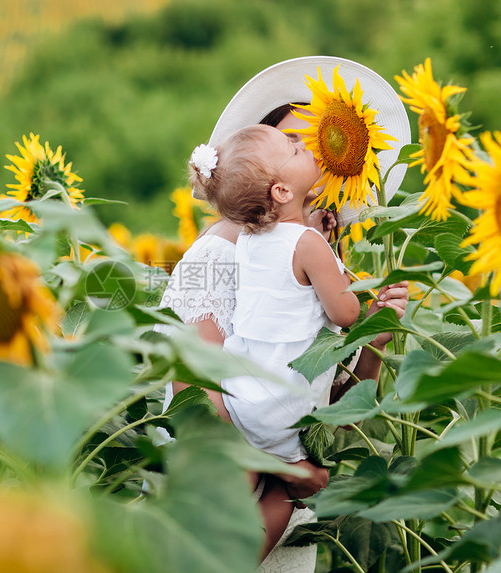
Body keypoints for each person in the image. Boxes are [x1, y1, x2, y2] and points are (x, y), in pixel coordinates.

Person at [157, 56, 410, 568]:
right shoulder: (215, 256)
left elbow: (329, 424)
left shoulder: (317, 261)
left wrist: (373, 344)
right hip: (220, 514)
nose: (317, 153)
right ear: (269, 182)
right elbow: (195, 403)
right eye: (296, 142)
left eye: (324, 140)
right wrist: (286, 469)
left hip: (288, 529)